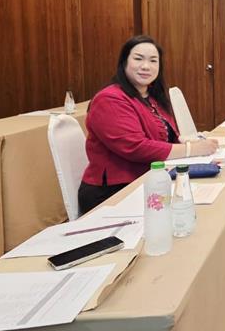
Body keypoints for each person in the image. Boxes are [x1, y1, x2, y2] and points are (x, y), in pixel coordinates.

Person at [79, 35, 217, 214]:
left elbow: (166, 137)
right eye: (138, 59)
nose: (146, 66)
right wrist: (192, 149)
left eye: (153, 60)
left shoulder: (151, 97)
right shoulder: (109, 99)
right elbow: (136, 147)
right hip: (114, 193)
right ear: (124, 62)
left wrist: (190, 142)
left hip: (149, 180)